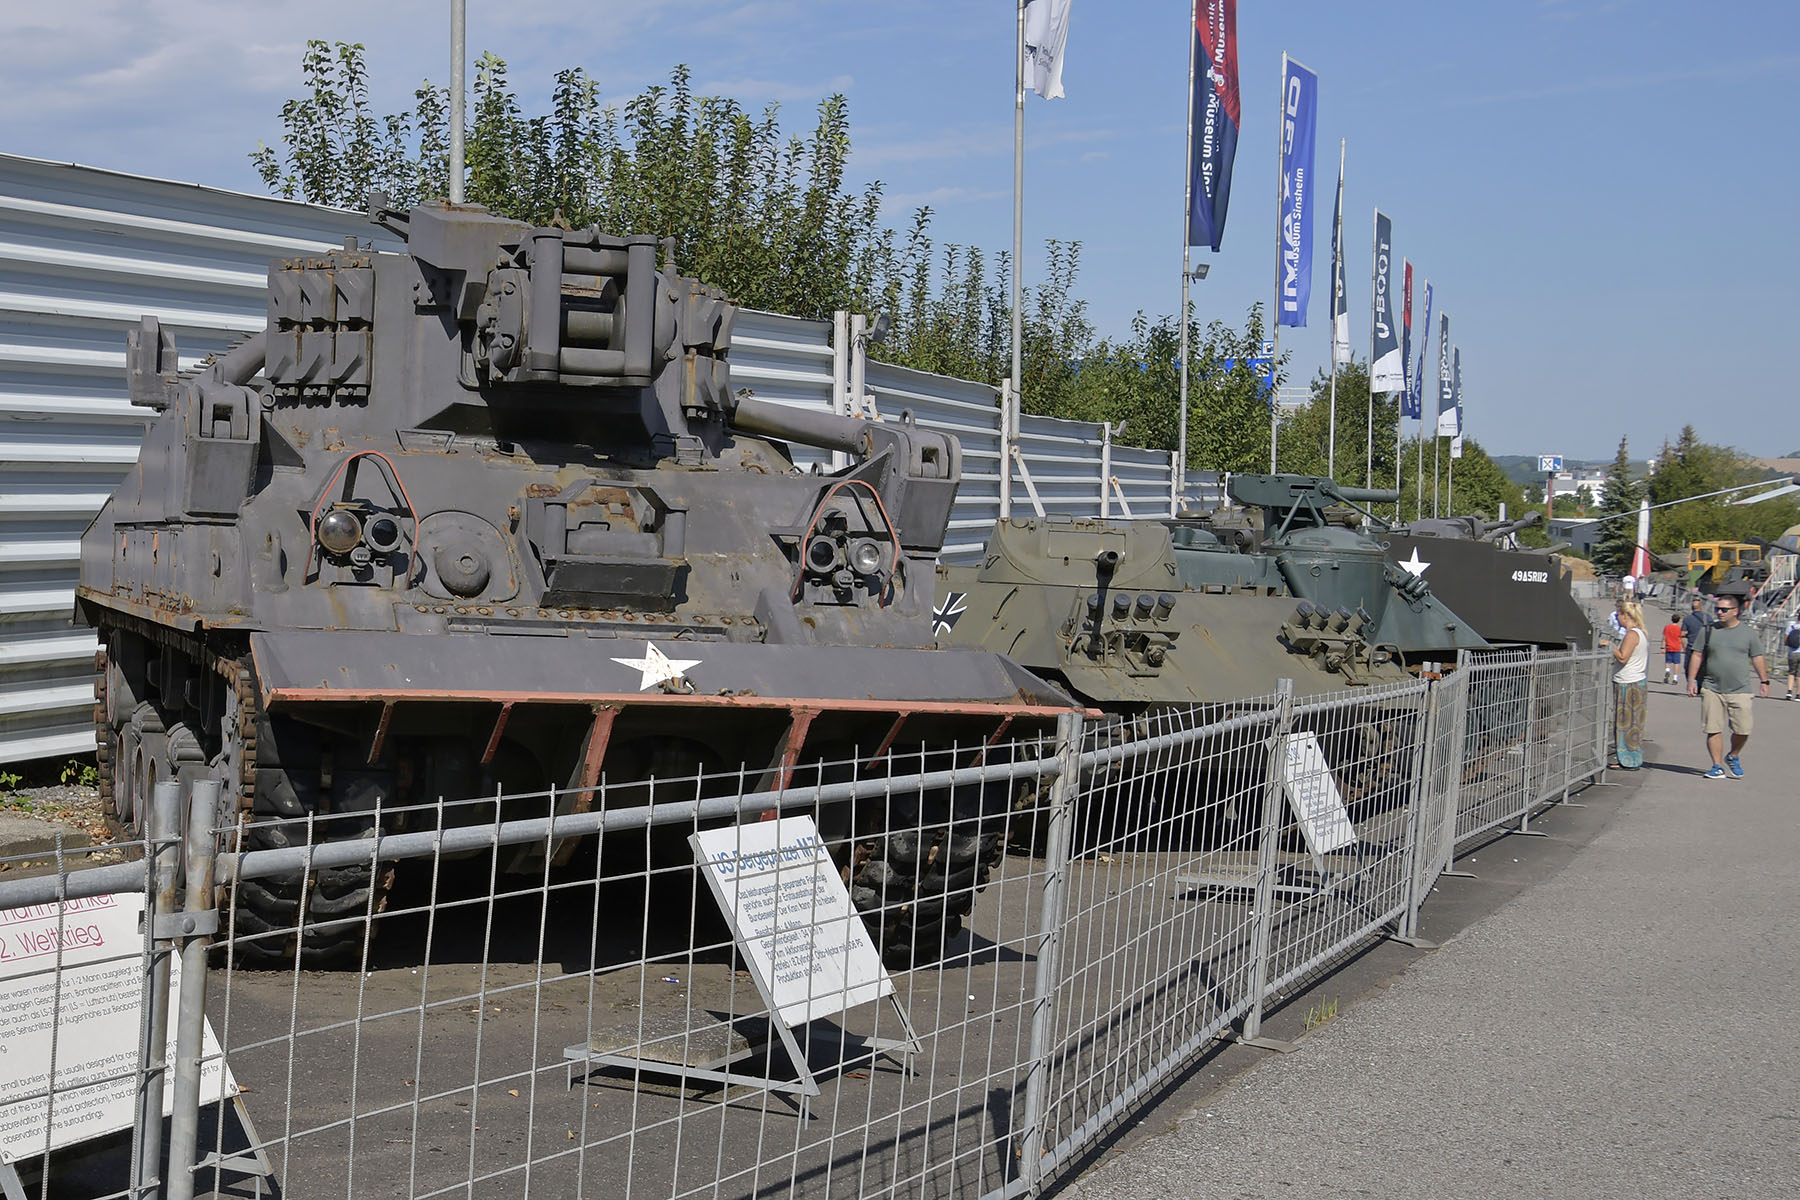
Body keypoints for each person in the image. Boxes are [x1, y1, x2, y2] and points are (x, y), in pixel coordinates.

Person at [1686, 592, 1771, 779]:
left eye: (1724, 610)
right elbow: (1697, 655)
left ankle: (1733, 755)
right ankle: (1717, 766)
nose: (1719, 612)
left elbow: (1757, 657)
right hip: (1711, 687)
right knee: (1713, 728)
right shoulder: (1708, 631)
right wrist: (1691, 679)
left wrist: (1764, 680)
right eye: (1717, 609)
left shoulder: (1748, 633)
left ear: (1735, 611)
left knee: (1743, 729)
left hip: (1740, 689)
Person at [1608, 600, 1649, 769]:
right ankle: (1630, 757)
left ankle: (1627, 759)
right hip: (1636, 681)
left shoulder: (1632, 634)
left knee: (1625, 722)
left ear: (1626, 615)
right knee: (1633, 722)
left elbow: (1623, 657)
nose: (1617, 617)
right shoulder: (1642, 633)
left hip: (1628, 683)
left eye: (1619, 614)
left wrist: (1610, 646)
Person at [1680, 595, 1709, 681]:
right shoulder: (1708, 617)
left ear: (1692, 608)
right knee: (1703, 668)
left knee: (1688, 667)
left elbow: (1682, 634)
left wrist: (1685, 647)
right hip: (1705, 646)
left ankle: (1691, 683)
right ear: (1701, 607)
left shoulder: (1687, 619)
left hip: (1691, 646)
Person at [1661, 615, 1684, 685]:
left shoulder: (1667, 627)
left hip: (1668, 646)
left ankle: (1667, 671)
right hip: (1677, 647)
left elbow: (1664, 638)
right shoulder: (1679, 628)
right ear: (1678, 620)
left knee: (1668, 661)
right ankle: (1675, 678)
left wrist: (1663, 647)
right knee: (1676, 663)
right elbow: (1681, 638)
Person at [1785, 614, 1800, 701]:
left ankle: (1789, 692)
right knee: (1799, 675)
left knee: (1791, 673)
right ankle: (1798, 695)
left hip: (1792, 653)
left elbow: (1786, 642)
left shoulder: (1791, 628)